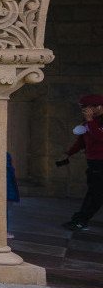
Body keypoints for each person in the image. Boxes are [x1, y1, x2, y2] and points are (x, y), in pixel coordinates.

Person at [61, 94, 103, 231]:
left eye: (86, 108)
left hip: (100, 163)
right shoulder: (89, 122)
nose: (84, 111)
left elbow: (100, 137)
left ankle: (81, 221)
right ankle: (79, 220)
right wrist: (69, 153)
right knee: (94, 193)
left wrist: (90, 121)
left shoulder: (92, 122)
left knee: (95, 195)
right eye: (83, 108)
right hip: (94, 163)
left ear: (98, 107)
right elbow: (82, 141)